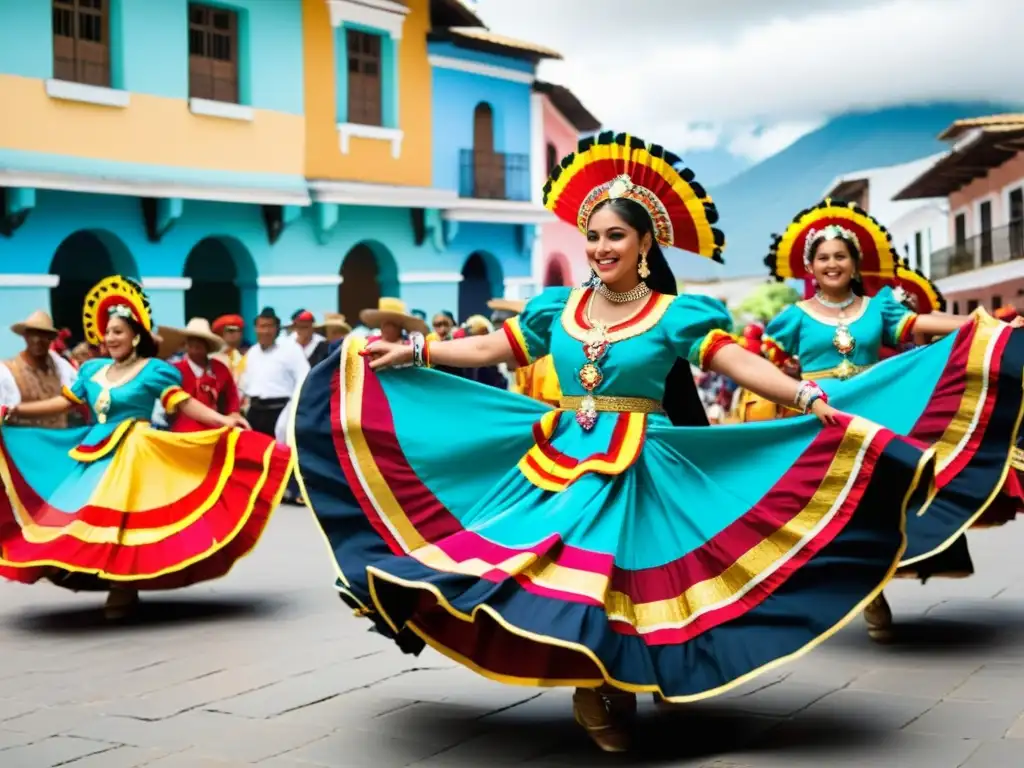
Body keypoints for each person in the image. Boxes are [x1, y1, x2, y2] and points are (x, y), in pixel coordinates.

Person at [292, 133, 936, 752]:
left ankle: (622, 680)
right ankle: (593, 686)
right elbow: (493, 346)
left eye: (615, 237)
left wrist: (807, 399)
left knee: (629, 580)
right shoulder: (558, 309)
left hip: (643, 464)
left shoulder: (673, 313)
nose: (601, 248)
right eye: (593, 237)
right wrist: (416, 350)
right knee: (557, 570)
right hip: (564, 454)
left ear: (645, 244)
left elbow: (735, 364)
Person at [763, 198, 1024, 641]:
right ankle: (869, 596)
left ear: (854, 262)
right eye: (823, 257)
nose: (832, 264)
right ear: (811, 266)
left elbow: (922, 321)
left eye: (840, 256)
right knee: (832, 510)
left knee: (884, 501)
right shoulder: (793, 318)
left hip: (875, 414)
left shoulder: (877, 309)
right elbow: (767, 364)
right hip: (821, 421)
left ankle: (876, 584)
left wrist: (981, 325)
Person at [0, 276, 293, 619]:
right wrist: (12, 411)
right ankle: (95, 574)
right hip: (94, 451)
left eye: (119, 332)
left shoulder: (154, 370)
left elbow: (182, 403)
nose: (110, 338)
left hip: (136, 452)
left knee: (125, 523)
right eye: (107, 331)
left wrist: (222, 420)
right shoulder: (92, 370)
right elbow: (62, 404)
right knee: (80, 517)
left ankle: (123, 589)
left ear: (136, 335)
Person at [240, 307, 309, 438]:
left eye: (270, 326)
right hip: (255, 410)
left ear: (277, 329)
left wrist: (293, 408)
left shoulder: (291, 349)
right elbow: (244, 383)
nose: (265, 331)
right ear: (255, 329)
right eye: (262, 326)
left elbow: (304, 378)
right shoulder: (252, 352)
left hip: (281, 409)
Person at [2, 311, 76, 428]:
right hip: (24, 442)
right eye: (32, 333)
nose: (37, 339)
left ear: (51, 338)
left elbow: (75, 399)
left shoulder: (62, 368)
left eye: (42, 334)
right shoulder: (7, 372)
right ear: (25, 336)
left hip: (59, 440)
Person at [168, 318, 241, 433]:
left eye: (200, 340)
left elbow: (231, 399)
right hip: (183, 433)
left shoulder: (220, 369)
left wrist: (234, 414)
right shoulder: (174, 370)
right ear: (185, 343)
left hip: (216, 429)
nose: (195, 344)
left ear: (208, 344)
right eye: (191, 339)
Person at [359, 298, 429, 343]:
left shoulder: (410, 346)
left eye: (392, 324)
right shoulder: (370, 343)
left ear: (400, 327)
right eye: (383, 324)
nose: (385, 328)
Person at [211, 314, 248, 383]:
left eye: (238, 330)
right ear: (221, 333)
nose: (235, 334)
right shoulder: (212, 357)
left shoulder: (246, 357)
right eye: (231, 330)